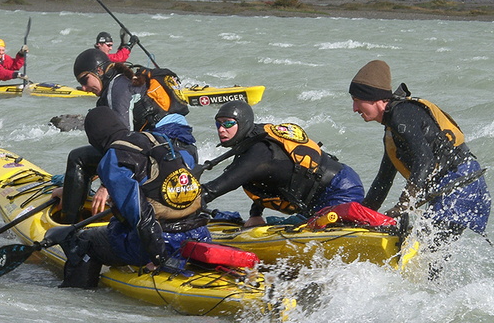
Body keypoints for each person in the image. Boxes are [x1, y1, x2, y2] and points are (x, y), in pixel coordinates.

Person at [349, 60, 491, 274]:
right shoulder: (392, 130)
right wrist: (360, 218)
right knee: (428, 260)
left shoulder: (402, 115)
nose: (354, 109)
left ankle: (437, 292)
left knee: (426, 258)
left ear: (375, 99)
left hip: (461, 186)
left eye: (357, 101)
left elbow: (425, 160)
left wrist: (404, 203)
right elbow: (383, 181)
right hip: (453, 188)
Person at [58, 106, 210, 288]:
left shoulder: (113, 157)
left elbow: (140, 215)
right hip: (198, 234)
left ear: (94, 137)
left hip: (163, 243)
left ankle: (77, 296)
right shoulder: (158, 139)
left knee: (84, 240)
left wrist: (158, 257)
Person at [56, 48, 196, 224]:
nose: (84, 88)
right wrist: (74, 187)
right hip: (186, 153)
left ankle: (67, 224)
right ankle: (73, 195)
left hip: (162, 154)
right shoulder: (128, 80)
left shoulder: (116, 89)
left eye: (85, 80)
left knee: (78, 158)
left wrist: (106, 186)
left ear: (99, 70)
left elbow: (122, 144)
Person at [201, 100, 365, 228]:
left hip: (341, 188)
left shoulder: (259, 152)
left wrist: (191, 201)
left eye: (228, 123)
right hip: (317, 199)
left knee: (304, 231)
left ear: (243, 123)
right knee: (287, 225)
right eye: (218, 124)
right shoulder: (252, 142)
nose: (221, 129)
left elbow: (217, 187)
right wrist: (255, 215)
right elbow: (263, 180)